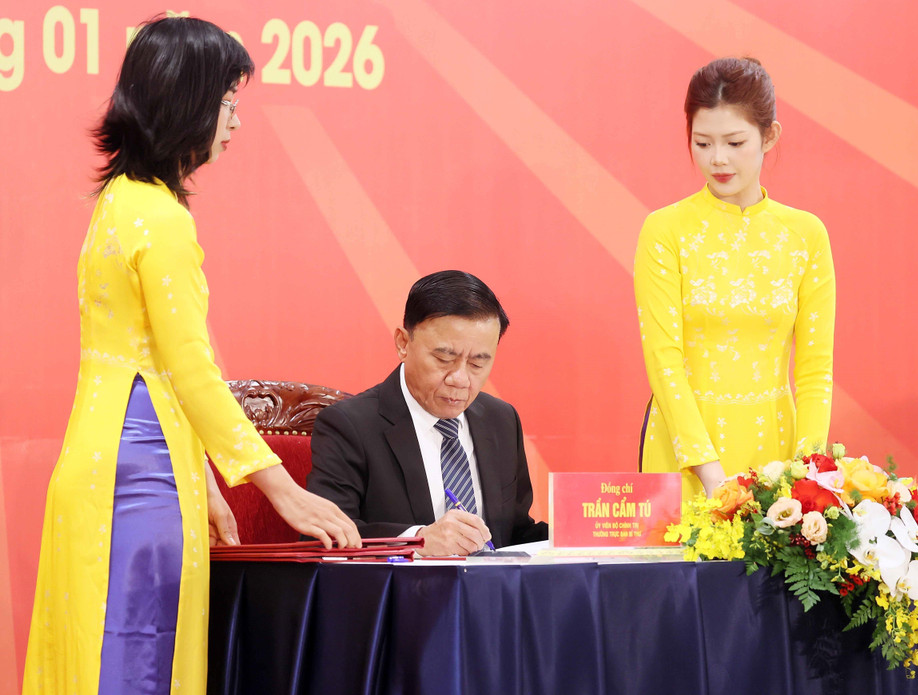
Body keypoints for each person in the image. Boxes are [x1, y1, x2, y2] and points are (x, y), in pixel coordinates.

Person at [23, 16, 359, 695]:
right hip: (141, 475)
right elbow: (190, 370)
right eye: (229, 100)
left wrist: (204, 479)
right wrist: (281, 488)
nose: (234, 121)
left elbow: (149, 361)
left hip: (102, 458)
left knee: (92, 653)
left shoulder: (118, 204)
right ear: (188, 101)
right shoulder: (164, 219)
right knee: (136, 656)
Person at [633, 57, 835, 500]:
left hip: (776, 458)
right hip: (686, 460)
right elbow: (664, 363)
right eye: (702, 143)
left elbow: (815, 371)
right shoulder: (665, 230)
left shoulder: (805, 235)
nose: (717, 159)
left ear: (770, 136)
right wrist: (712, 478)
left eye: (734, 142)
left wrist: (805, 477)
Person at [307, 270, 548, 556]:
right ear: (403, 343)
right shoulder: (349, 424)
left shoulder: (501, 420)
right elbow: (326, 536)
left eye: (477, 364)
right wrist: (418, 541)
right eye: (444, 358)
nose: (460, 379)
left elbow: (514, 533)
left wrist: (583, 532)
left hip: (492, 595)